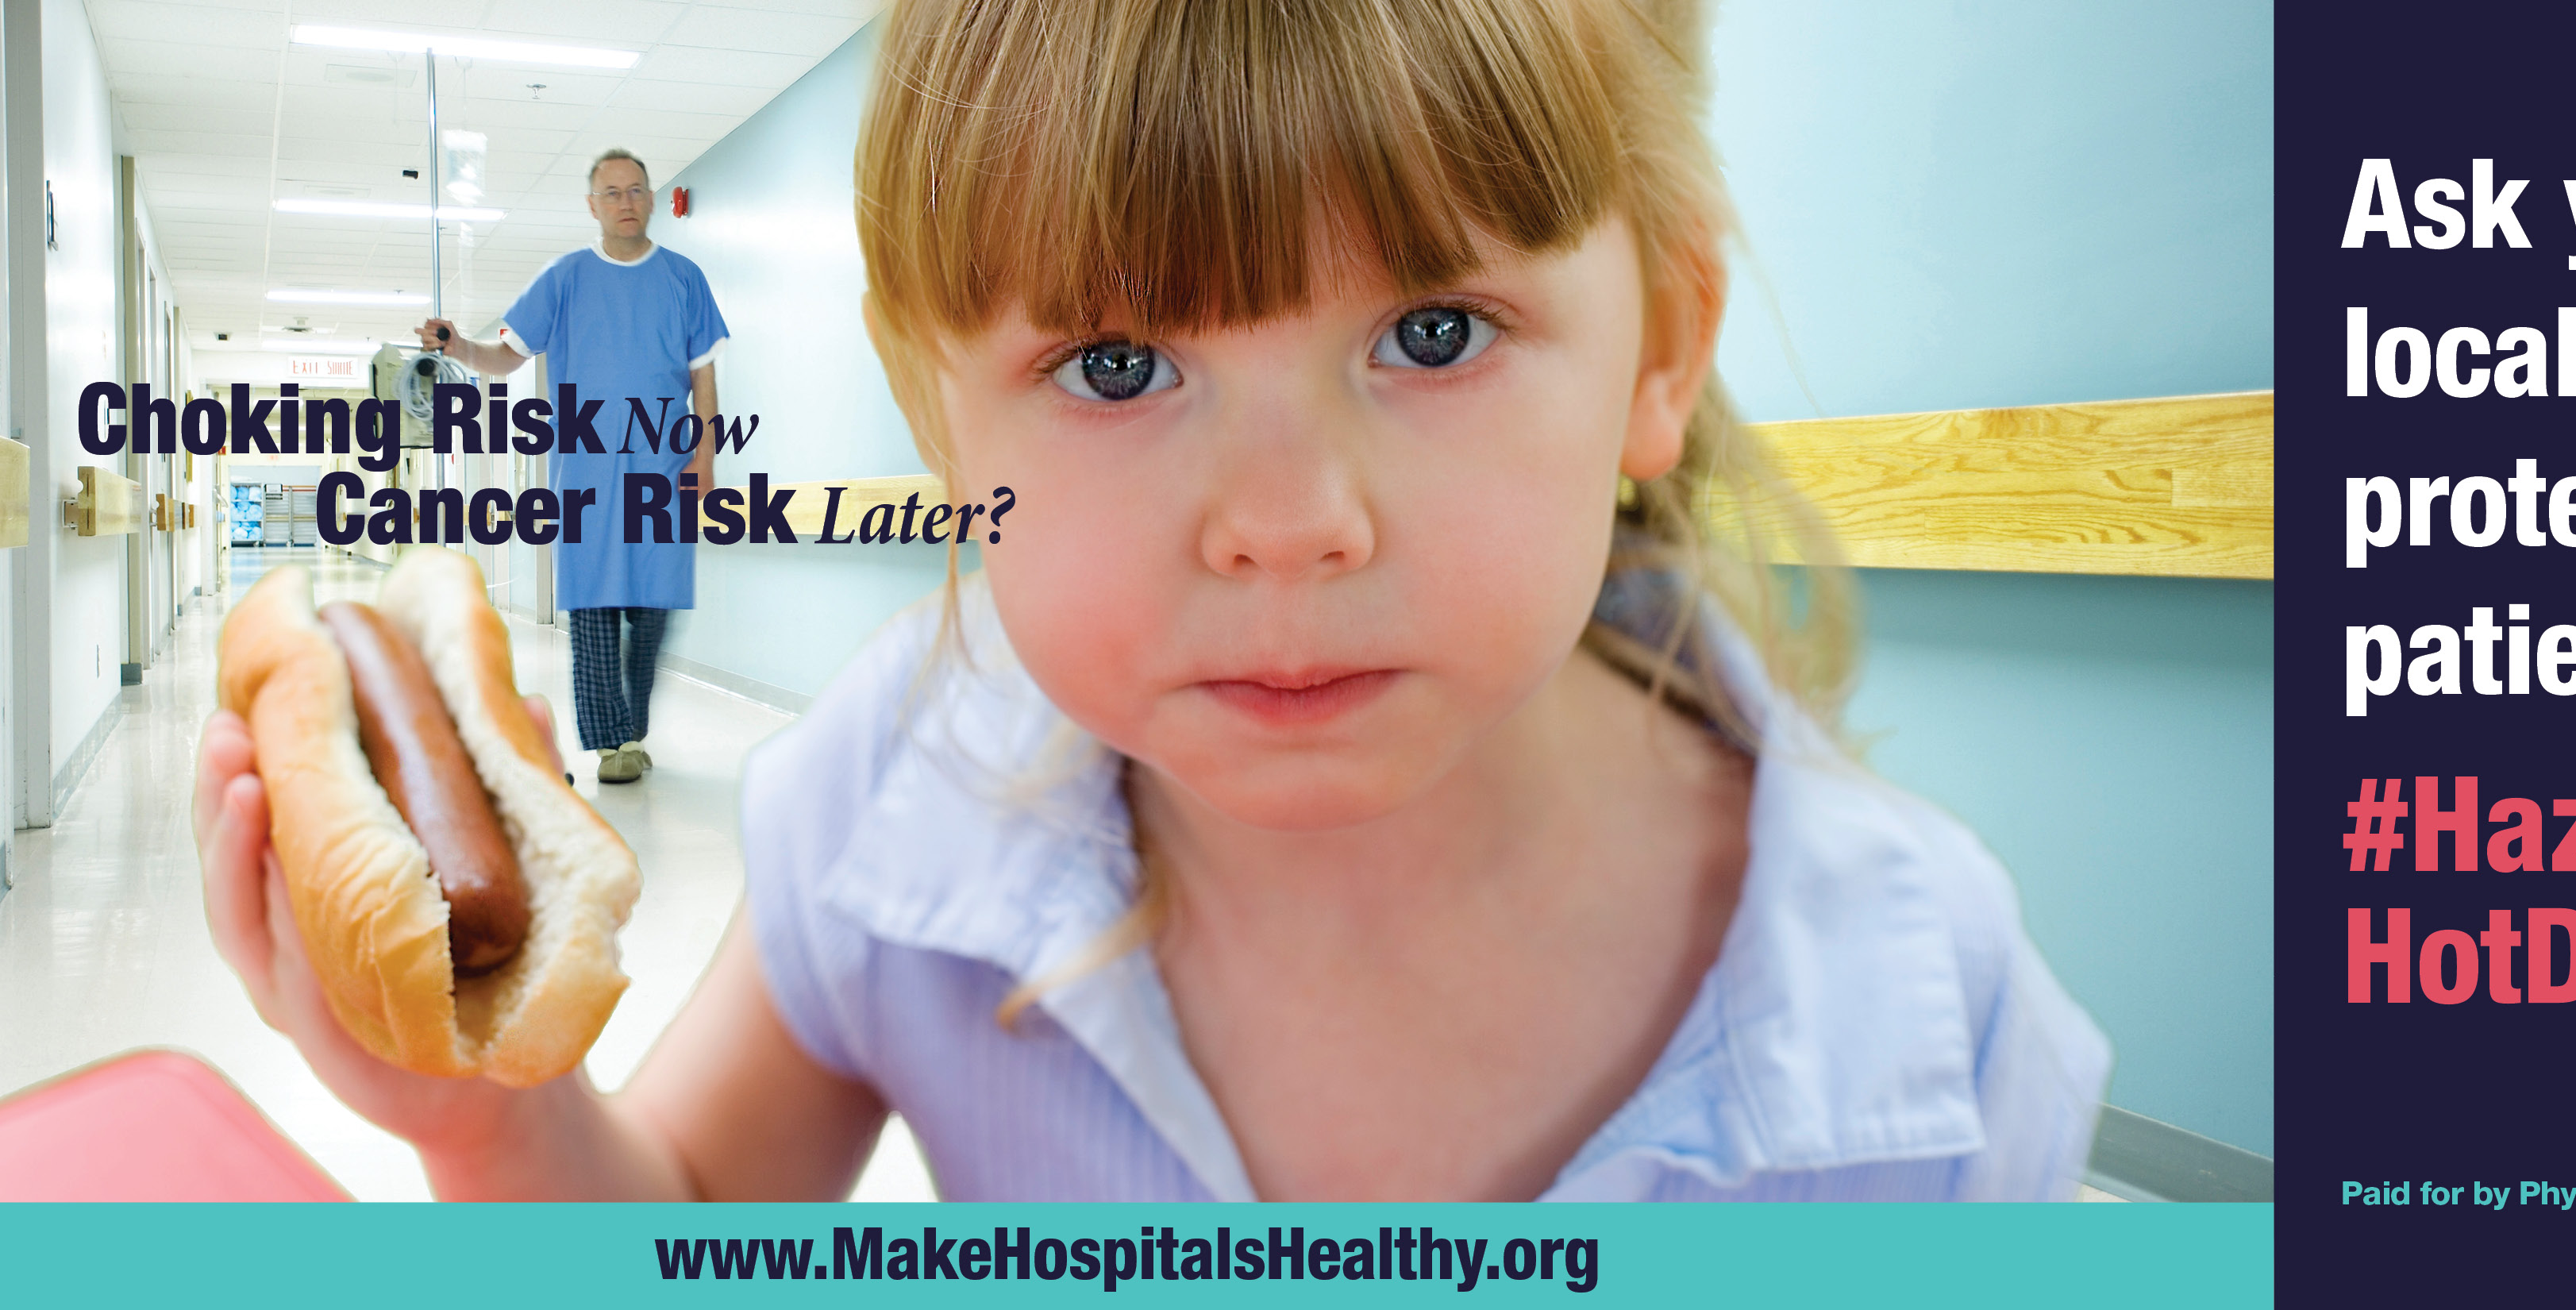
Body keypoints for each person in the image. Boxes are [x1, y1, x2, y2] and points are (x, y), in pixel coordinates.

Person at [197, 0, 2109, 1200]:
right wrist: (479, 1117)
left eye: (1433, 331)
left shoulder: (1924, 1020)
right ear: (949, 414)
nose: (1285, 525)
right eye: (1119, 364)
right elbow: (683, 1198)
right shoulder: (908, 789)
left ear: (1659, 349)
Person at [419, 148, 730, 785]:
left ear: (650, 199)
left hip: (663, 466)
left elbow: (705, 375)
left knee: (652, 608)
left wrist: (705, 456)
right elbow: (505, 359)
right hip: (586, 470)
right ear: (592, 206)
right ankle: (613, 741)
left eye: (636, 190)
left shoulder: (684, 279)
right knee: (592, 605)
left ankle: (632, 728)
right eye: (611, 193)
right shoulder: (563, 280)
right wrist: (459, 346)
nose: (626, 202)